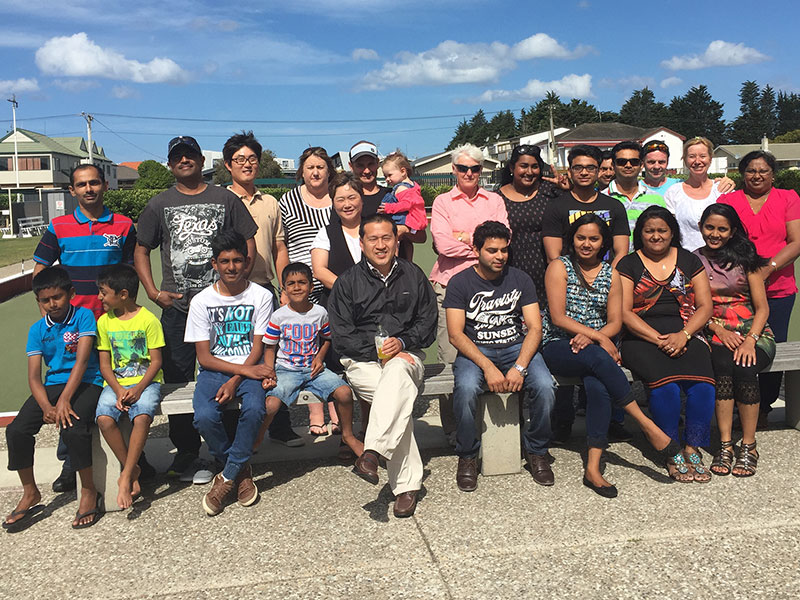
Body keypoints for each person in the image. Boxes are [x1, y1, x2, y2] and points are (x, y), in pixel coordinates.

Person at [134, 135, 258, 483]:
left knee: (228, 370)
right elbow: (141, 248)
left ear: (202, 161)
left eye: (190, 155)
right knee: (176, 377)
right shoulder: (159, 204)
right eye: (178, 157)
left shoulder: (225, 198)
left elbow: (247, 237)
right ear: (171, 164)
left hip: (223, 307)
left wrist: (242, 275)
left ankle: (230, 446)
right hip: (178, 307)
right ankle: (187, 447)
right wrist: (153, 291)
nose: (185, 161)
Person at [541, 214, 681, 497]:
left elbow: (616, 321)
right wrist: (599, 337)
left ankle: (593, 468)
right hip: (558, 344)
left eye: (594, 238)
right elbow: (557, 318)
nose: (587, 244)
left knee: (599, 385)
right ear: (572, 240)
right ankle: (645, 424)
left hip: (595, 348)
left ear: (604, 242)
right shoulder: (559, 267)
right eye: (581, 238)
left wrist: (597, 336)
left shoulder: (611, 273)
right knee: (597, 359)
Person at [32, 163, 139, 493]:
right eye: (82, 184)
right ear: (72, 191)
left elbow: (131, 271)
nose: (89, 188)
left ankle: (135, 457)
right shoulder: (59, 226)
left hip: (113, 324)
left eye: (94, 182)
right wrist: (53, 316)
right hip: (74, 325)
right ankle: (71, 462)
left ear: (105, 185)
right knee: (72, 387)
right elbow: (41, 273)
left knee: (120, 385)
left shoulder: (122, 225)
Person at [328, 214, 437, 518]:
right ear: (361, 244)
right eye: (373, 239)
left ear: (396, 240)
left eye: (386, 238)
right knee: (395, 398)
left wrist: (401, 343)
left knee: (397, 374)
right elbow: (342, 336)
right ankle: (407, 485)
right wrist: (377, 354)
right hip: (362, 362)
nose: (380, 245)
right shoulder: (347, 283)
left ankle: (372, 452)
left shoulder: (414, 276)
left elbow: (427, 325)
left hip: (406, 357)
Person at [445, 221, 556, 490]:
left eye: (504, 251)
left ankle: (536, 449)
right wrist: (488, 367)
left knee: (545, 386)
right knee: (467, 388)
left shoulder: (520, 279)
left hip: (515, 346)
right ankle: (468, 454)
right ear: (476, 250)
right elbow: (455, 334)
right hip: (476, 349)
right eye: (492, 250)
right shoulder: (460, 283)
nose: (499, 257)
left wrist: (518, 367)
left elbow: (535, 327)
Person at [617, 206, 716, 482]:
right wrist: (658, 339)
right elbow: (624, 312)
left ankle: (692, 446)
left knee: (703, 385)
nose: (656, 236)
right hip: (641, 337)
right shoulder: (629, 264)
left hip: (686, 331)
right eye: (649, 231)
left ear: (672, 232)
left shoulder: (688, 260)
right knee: (666, 386)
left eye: (662, 230)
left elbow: (705, 306)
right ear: (641, 234)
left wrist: (684, 335)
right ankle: (671, 450)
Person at [541, 144, 630, 443]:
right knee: (586, 355)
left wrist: (607, 276)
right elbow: (555, 255)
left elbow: (620, 251)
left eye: (590, 167)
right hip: (568, 295)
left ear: (599, 170)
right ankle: (563, 421)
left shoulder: (613, 206)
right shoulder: (557, 207)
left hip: (602, 298)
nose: (583, 172)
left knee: (595, 375)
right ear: (570, 170)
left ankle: (608, 425)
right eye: (577, 167)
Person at [4, 267, 104, 530]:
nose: (52, 304)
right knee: (16, 431)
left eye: (57, 297)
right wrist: (47, 406)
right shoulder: (37, 330)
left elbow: (82, 361)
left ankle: (89, 490)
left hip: (87, 382)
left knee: (73, 426)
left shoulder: (83, 316)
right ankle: (30, 492)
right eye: (45, 300)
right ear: (38, 301)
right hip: (53, 386)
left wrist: (65, 400)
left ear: (70, 293)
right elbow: (35, 378)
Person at [185, 230, 274, 516]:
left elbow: (259, 346)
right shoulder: (201, 301)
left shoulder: (261, 296)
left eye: (237, 260)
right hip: (215, 369)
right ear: (214, 264)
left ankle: (225, 478)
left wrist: (238, 378)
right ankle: (240, 470)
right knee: (205, 416)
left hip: (250, 369)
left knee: (254, 410)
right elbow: (204, 357)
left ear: (247, 262)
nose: (232, 267)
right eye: (225, 261)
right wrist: (238, 373)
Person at [222, 131, 301, 449]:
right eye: (240, 159)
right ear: (228, 165)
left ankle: (279, 426)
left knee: (275, 357)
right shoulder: (221, 200)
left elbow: (280, 248)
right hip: (231, 293)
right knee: (233, 355)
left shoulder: (271, 202)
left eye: (252, 159)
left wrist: (283, 287)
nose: (247, 164)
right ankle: (231, 432)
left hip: (266, 289)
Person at [429, 143, 509, 442]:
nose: (469, 173)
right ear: (453, 170)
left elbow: (503, 238)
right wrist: (482, 245)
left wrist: (464, 237)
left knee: (489, 353)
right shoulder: (442, 202)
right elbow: (442, 244)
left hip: (489, 288)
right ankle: (454, 429)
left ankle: (489, 425)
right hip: (449, 286)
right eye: (463, 168)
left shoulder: (495, 200)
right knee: (451, 358)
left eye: (475, 168)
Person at [718, 150, 800, 428]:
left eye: (763, 171)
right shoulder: (729, 200)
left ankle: (763, 406)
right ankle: (738, 406)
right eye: (751, 170)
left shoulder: (788, 198)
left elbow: (796, 241)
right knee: (733, 348)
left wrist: (768, 268)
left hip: (778, 288)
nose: (756, 176)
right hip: (736, 290)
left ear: (772, 174)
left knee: (770, 346)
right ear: (742, 174)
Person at [695, 204, 775, 477]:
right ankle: (726, 444)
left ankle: (749, 445)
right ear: (700, 226)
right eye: (710, 227)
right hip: (712, 329)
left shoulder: (747, 259)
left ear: (731, 232)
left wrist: (751, 340)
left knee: (744, 366)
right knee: (722, 366)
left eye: (722, 229)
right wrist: (716, 328)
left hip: (753, 330)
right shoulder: (693, 260)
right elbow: (690, 305)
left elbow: (762, 308)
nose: (714, 234)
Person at [257, 262, 363, 457]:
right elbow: (270, 347)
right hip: (286, 370)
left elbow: (327, 338)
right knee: (270, 404)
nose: (297, 287)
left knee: (344, 393)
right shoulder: (278, 316)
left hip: (314, 371)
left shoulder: (320, 313)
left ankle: (347, 435)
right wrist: (269, 371)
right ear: (284, 288)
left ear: (311, 286)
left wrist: (319, 357)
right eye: (291, 284)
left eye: (302, 282)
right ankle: (255, 441)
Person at [94, 264, 164, 509]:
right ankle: (132, 470)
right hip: (115, 384)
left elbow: (156, 362)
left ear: (123, 294)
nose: (100, 297)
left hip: (146, 383)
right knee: (104, 418)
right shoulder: (104, 322)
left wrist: (138, 389)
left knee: (143, 416)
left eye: (103, 292)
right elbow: (104, 365)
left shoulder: (149, 320)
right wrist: (118, 388)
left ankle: (124, 476)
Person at [496, 144, 563, 304]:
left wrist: (567, 189)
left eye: (535, 167)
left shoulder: (551, 192)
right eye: (524, 166)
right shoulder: (496, 198)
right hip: (511, 271)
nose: (529, 172)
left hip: (549, 271)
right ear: (512, 167)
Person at [279, 146, 336, 304]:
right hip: (300, 291)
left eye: (320, 167)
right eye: (310, 167)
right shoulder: (288, 201)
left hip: (336, 287)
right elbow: (281, 247)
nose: (315, 172)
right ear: (302, 172)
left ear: (329, 171)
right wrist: (284, 288)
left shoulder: (339, 198)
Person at [664, 137, 725, 251]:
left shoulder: (722, 189)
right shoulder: (673, 192)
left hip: (719, 258)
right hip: (685, 259)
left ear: (710, 159)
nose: (697, 161)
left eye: (702, 156)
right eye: (692, 156)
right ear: (685, 160)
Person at [605, 140, 667, 247]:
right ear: (613, 165)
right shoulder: (603, 198)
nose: (628, 165)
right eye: (621, 161)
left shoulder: (657, 199)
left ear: (641, 165)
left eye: (634, 161)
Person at [379, 151, 427, 261]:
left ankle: (393, 259)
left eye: (389, 175)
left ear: (403, 171)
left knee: (394, 239)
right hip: (414, 219)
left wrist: (388, 208)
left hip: (404, 219)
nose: (387, 179)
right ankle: (408, 261)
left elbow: (406, 204)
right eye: (385, 176)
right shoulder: (413, 186)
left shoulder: (401, 188)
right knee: (407, 243)